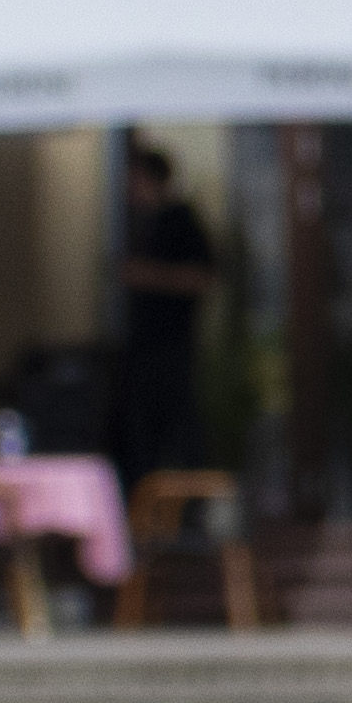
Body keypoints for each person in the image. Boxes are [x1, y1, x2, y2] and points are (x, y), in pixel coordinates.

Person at [115, 143, 218, 482]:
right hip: (140, 344)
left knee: (179, 421)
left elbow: (202, 277)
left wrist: (149, 276)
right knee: (141, 426)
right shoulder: (132, 224)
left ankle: (191, 504)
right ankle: (145, 501)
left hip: (172, 342)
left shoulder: (180, 220)